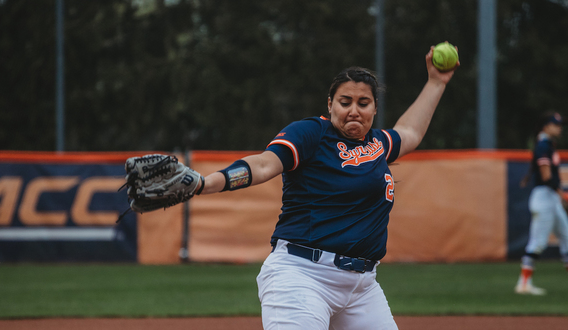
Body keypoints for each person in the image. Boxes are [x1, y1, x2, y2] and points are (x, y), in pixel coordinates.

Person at [193, 46, 457, 329]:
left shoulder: (378, 144)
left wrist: (436, 82)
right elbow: (263, 165)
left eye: (363, 103)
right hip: (302, 275)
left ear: (375, 108)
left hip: (361, 286)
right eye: (345, 102)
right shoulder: (311, 134)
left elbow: (411, 132)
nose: (354, 110)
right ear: (330, 104)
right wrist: (206, 183)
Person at [515, 111, 568, 295]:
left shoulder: (547, 144)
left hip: (550, 197)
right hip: (544, 198)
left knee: (567, 237)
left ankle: (524, 283)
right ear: (546, 126)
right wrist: (562, 193)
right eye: (556, 124)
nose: (559, 128)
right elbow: (546, 177)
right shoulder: (543, 145)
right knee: (537, 244)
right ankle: (523, 284)